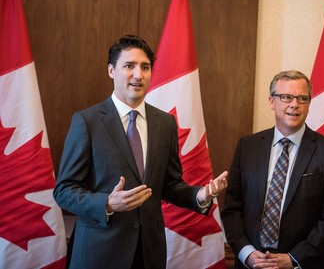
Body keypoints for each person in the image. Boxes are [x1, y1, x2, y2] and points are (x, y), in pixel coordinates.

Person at [53, 34, 228, 269]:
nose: (138, 75)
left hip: (148, 254)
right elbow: (64, 190)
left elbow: (169, 185)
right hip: (99, 253)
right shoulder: (87, 121)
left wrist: (200, 196)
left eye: (145, 67)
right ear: (111, 70)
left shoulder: (164, 123)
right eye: (129, 66)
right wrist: (107, 203)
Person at [221, 70, 324, 269]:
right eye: (286, 97)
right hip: (252, 263)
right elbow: (232, 209)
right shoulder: (247, 146)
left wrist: (293, 259)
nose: (294, 104)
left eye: (302, 98)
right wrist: (246, 253)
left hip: (306, 263)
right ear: (271, 101)